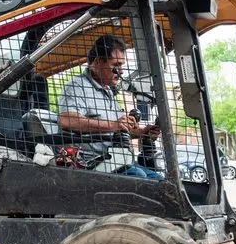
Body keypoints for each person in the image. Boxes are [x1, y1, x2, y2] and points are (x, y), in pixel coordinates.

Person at [58, 34, 163, 179]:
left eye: (122, 65)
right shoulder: (76, 87)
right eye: (116, 65)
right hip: (90, 163)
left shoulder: (107, 91)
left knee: (159, 180)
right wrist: (114, 125)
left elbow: (117, 130)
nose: (121, 71)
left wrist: (142, 132)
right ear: (97, 62)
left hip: (116, 160)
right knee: (139, 177)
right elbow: (66, 121)